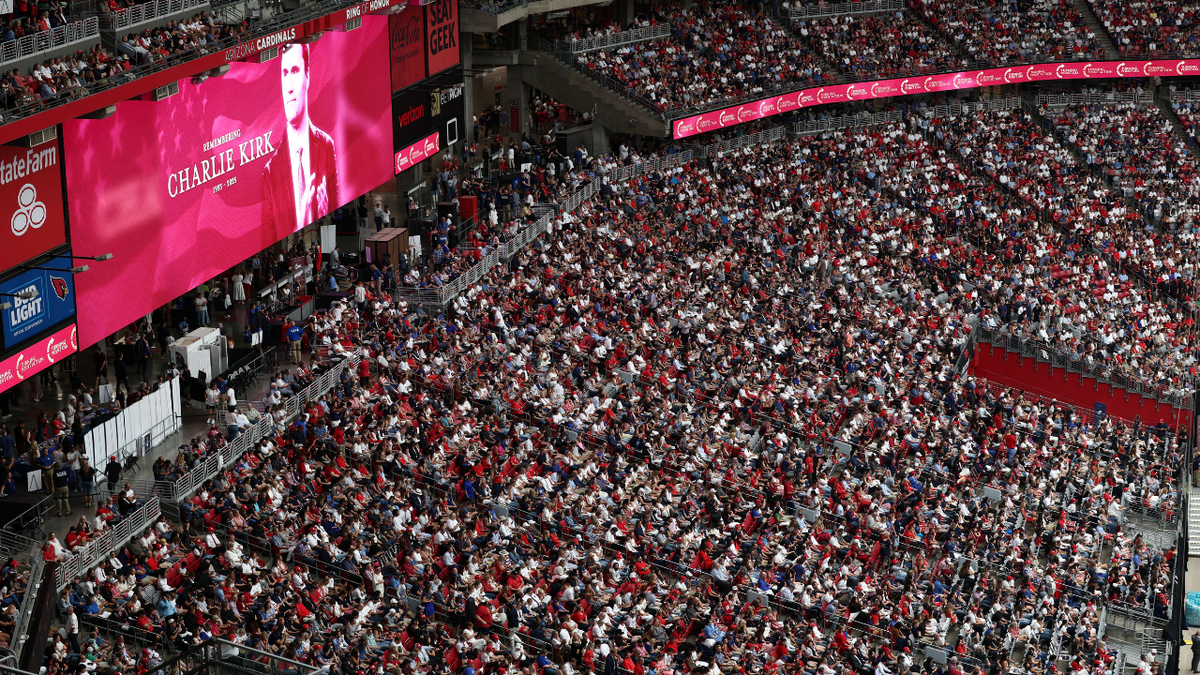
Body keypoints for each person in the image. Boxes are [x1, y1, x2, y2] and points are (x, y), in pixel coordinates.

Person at [261, 43, 339, 241]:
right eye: (284, 73)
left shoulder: (327, 146)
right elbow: (268, 238)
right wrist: (302, 220)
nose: (289, 86)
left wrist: (325, 210)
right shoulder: (270, 171)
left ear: (308, 75)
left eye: (295, 71)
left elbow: (336, 205)